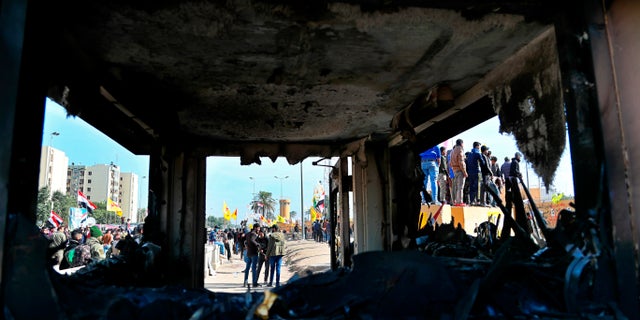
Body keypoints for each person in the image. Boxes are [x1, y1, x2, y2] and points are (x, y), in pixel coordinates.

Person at [449, 139, 467, 206]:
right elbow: (461, 162)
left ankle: (456, 201)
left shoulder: (452, 151)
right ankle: (459, 202)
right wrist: (464, 172)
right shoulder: (460, 150)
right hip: (460, 170)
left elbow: (450, 163)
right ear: (461, 143)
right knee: (460, 187)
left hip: (454, 170)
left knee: (456, 187)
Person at [466, 142, 483, 206]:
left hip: (470, 172)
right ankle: (478, 200)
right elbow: (482, 162)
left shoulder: (470, 154)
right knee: (478, 186)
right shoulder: (478, 153)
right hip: (477, 171)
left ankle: (472, 200)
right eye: (479, 146)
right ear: (477, 146)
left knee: (471, 187)